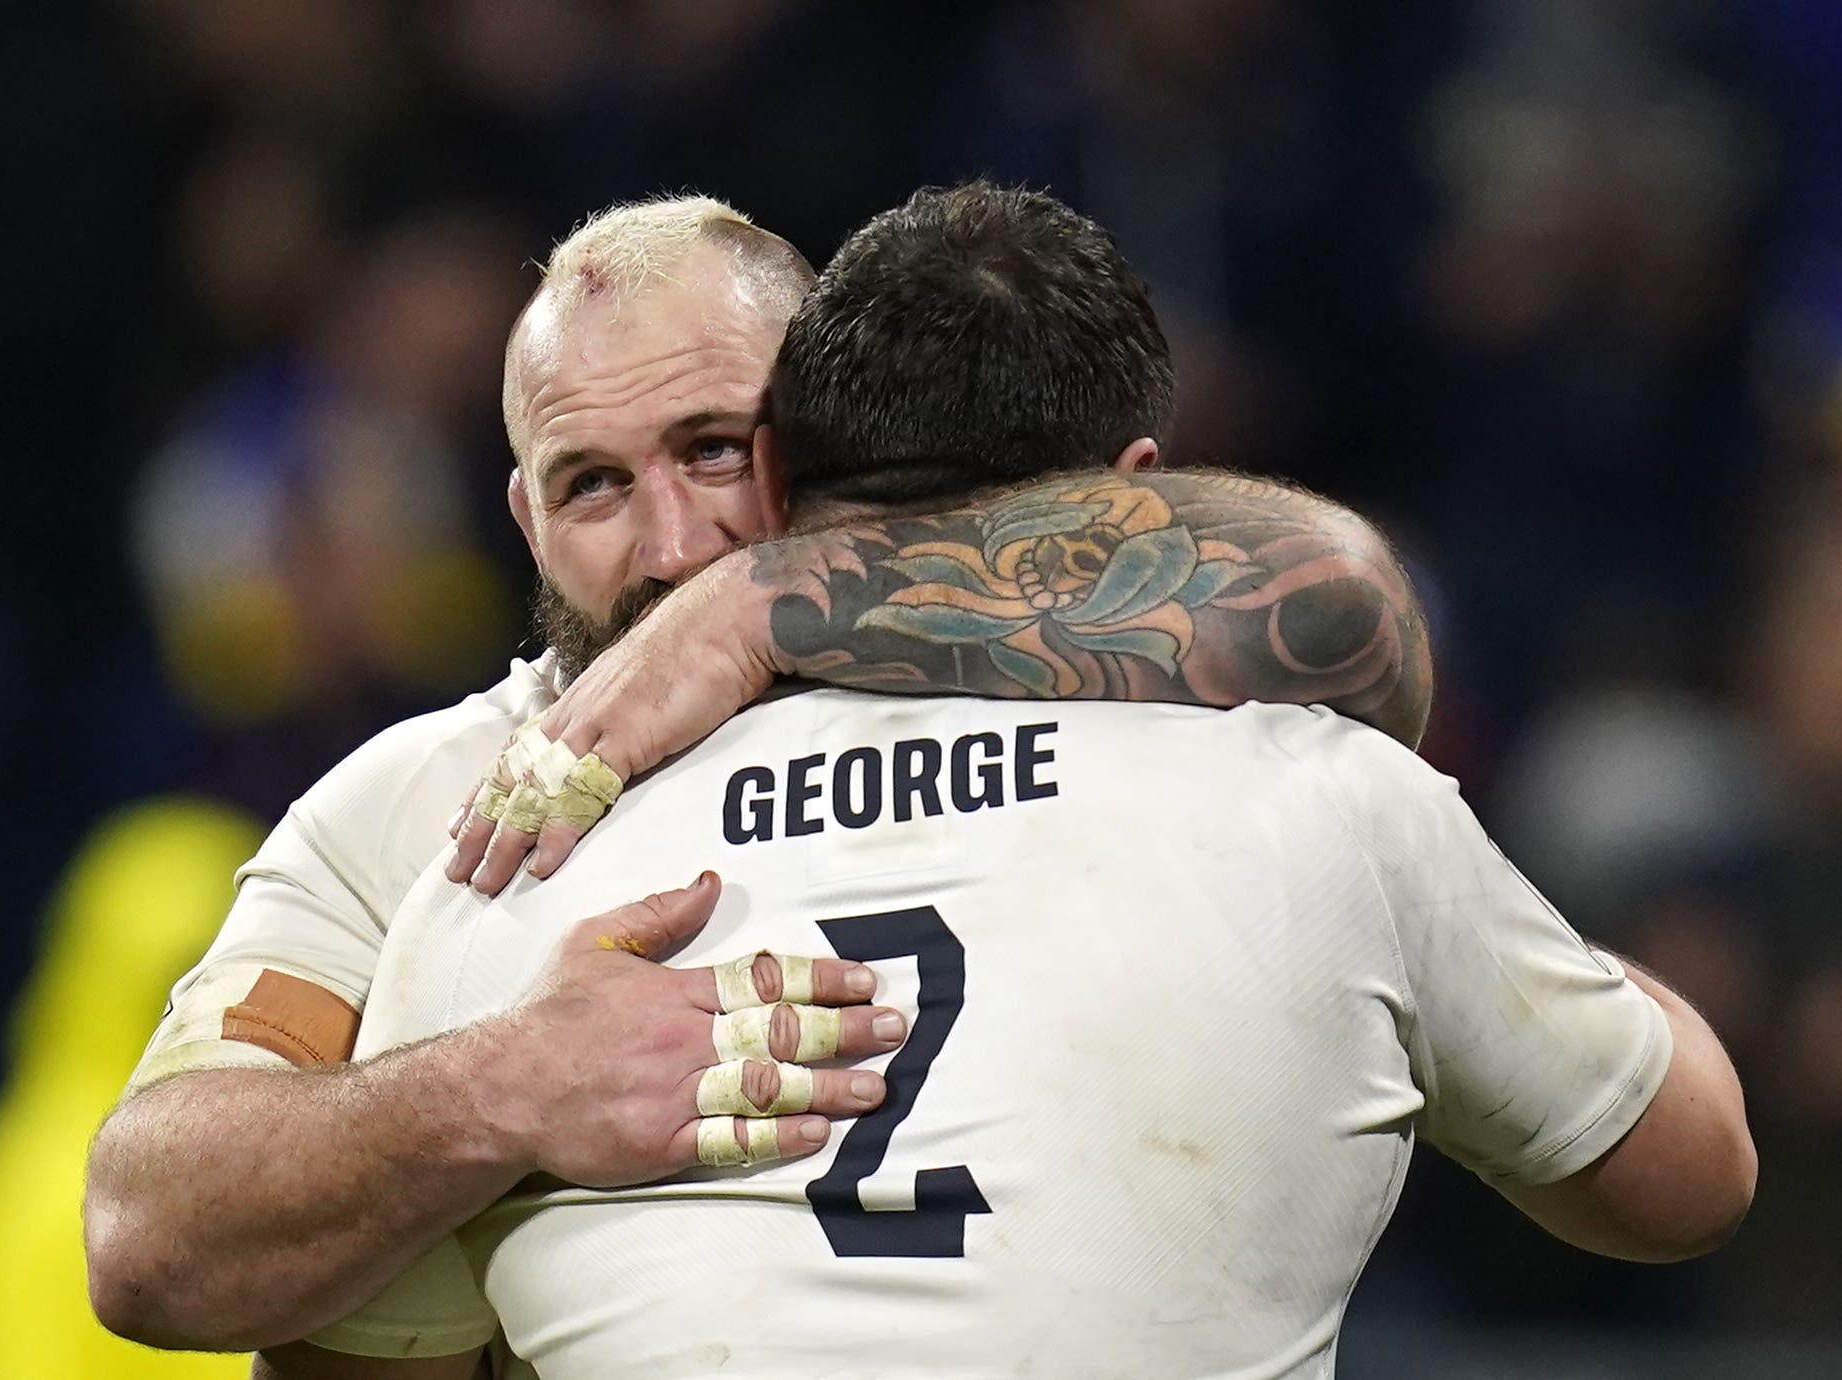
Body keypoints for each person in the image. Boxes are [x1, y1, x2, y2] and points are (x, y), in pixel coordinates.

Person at [266, 185, 1754, 1378]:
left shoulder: (512, 863)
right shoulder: (1328, 802)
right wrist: (1482, 946)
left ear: (790, 469)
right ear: (1144, 487)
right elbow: (1687, 1182)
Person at [85, 194, 1434, 1353]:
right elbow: (144, 1238)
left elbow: (1344, 600)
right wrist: (503, 1089)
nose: (674, 547)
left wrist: (763, 607)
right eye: (593, 485)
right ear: (524, 517)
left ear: (823, 431)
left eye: (714, 450)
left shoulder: (1065, 687)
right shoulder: (427, 801)